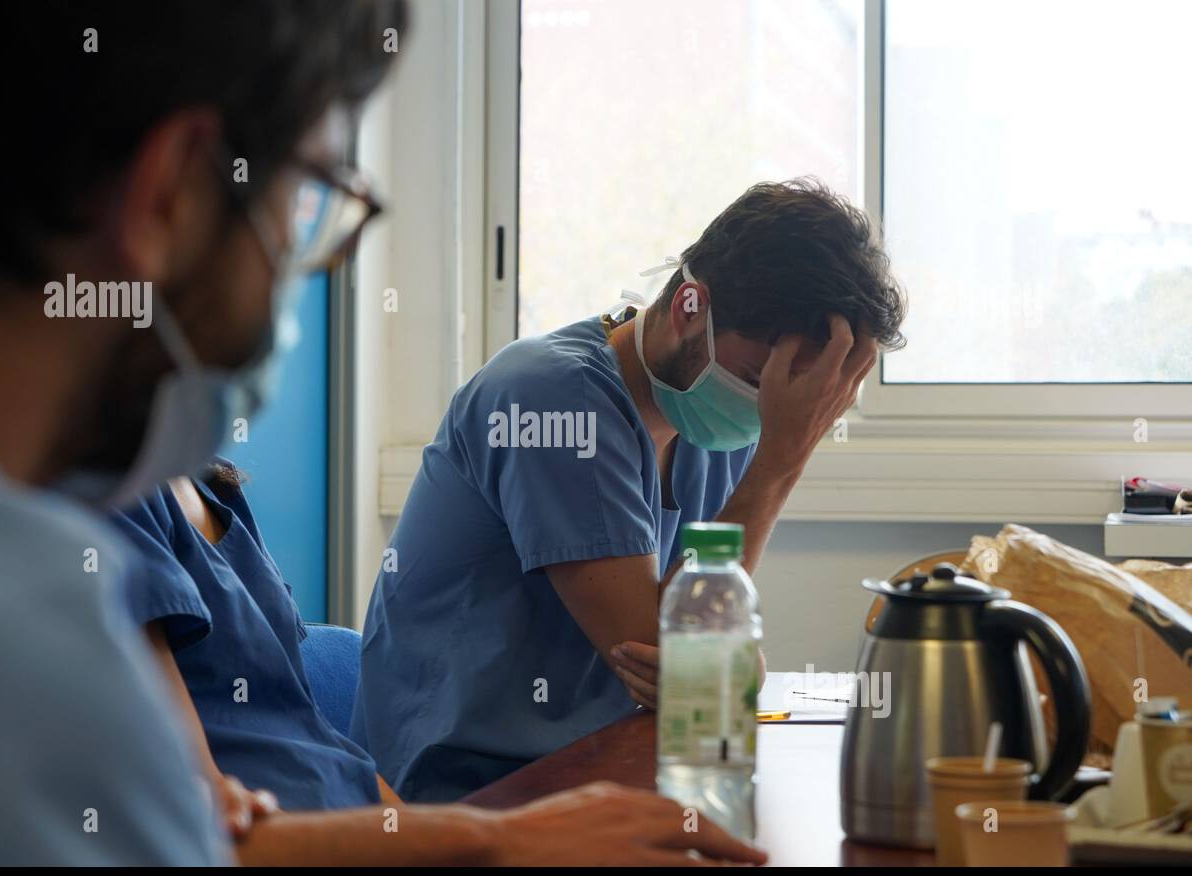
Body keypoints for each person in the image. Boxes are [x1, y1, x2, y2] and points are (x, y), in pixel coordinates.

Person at [0, 0, 762, 865]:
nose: (303, 263)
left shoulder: (26, 529)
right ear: (173, 193)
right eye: (309, 203)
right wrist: (492, 844)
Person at [352, 179, 907, 801]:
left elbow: (713, 666)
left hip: (605, 769)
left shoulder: (719, 428)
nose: (771, 413)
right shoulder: (549, 399)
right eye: (759, 378)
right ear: (689, 307)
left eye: (795, 397)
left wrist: (717, 663)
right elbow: (676, 649)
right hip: (464, 795)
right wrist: (784, 458)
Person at [110, 464, 764, 865]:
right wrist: (496, 841)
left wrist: (464, 839)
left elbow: (327, 752)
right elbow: (202, 822)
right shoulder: (115, 502)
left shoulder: (207, 486)